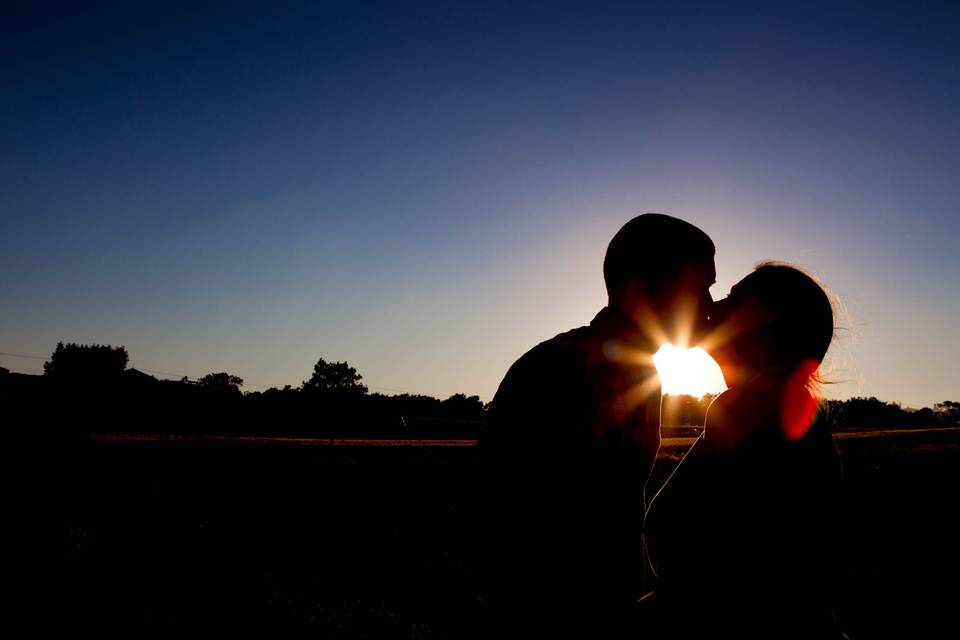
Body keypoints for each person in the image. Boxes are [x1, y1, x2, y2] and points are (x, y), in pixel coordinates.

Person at [475, 213, 716, 638]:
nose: (711, 307)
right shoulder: (559, 369)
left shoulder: (645, 373)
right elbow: (509, 510)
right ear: (643, 287)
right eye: (702, 288)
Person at [644, 262, 845, 639]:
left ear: (759, 321)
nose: (712, 306)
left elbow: (704, 561)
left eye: (731, 298)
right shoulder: (776, 399)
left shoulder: (756, 403)